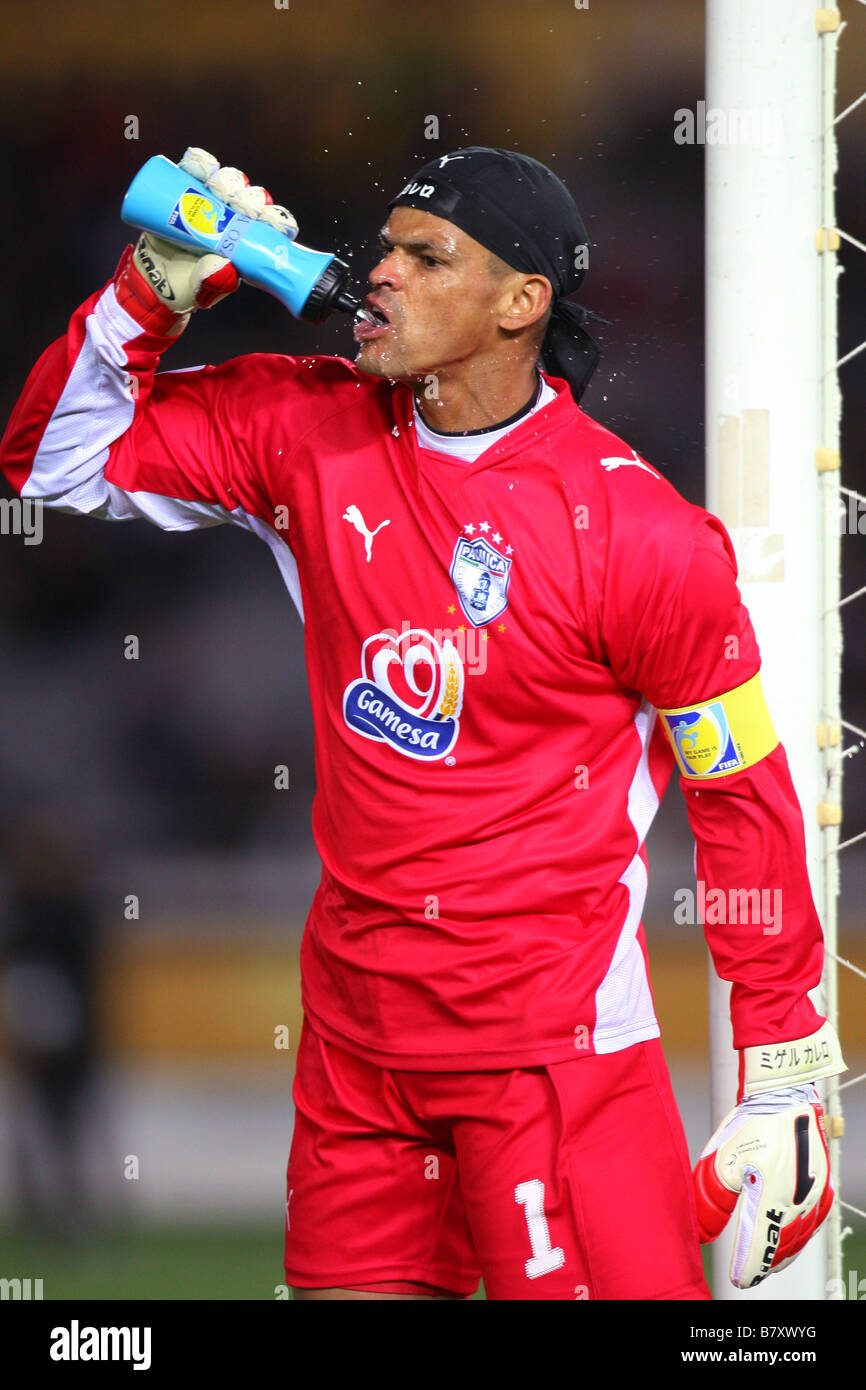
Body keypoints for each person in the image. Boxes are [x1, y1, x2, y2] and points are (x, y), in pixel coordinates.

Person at [0, 145, 845, 1301]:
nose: (381, 271)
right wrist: (151, 289)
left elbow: (738, 793)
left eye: (426, 255)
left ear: (520, 304)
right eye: (385, 245)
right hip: (354, 1053)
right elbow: (50, 461)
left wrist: (783, 1062)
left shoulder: (638, 533)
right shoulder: (305, 428)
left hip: (551, 1064)